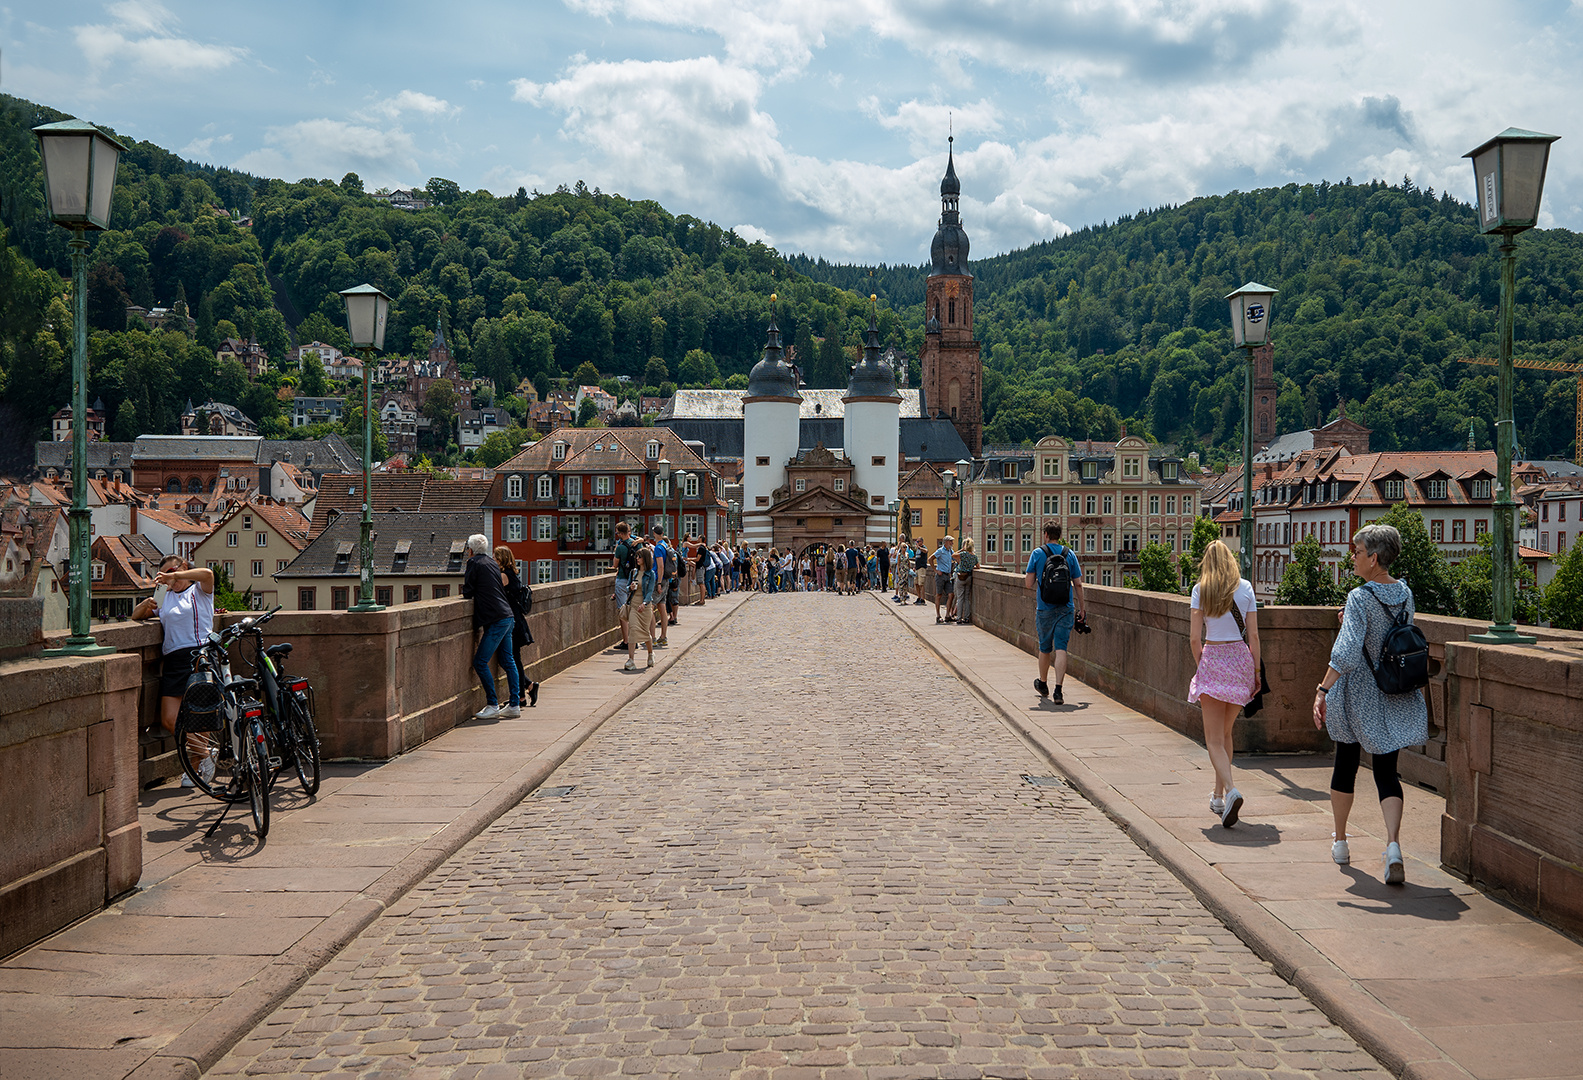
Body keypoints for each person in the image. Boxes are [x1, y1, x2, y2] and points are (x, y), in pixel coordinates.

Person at [1313, 524, 1429, 883]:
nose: (1353, 557)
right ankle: (1393, 846)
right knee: (1386, 772)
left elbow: (1347, 652)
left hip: (1359, 694)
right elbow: (1391, 633)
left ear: (1374, 558)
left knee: (1345, 763)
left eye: (1357, 552)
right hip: (1393, 691)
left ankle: (1341, 841)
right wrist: (1351, 621)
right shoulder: (1405, 593)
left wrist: (1322, 689)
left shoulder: (1359, 597)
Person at [1188, 540, 1259, 828]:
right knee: (1226, 734)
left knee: (1213, 739)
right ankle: (1218, 796)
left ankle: (1231, 790)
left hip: (1214, 658)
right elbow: (1254, 637)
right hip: (1240, 661)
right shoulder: (1246, 588)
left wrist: (1203, 665)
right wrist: (1256, 672)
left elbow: (1195, 638)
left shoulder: (1200, 590)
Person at [131, 555, 217, 788]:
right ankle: (207, 755)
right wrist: (145, 605)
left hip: (199, 655)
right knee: (170, 720)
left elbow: (208, 574)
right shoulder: (164, 596)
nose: (170, 578)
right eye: (164, 575)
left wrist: (176, 575)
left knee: (200, 716)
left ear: (184, 568)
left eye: (172, 572)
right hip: (173, 659)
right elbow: (137, 617)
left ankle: (196, 767)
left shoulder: (199, 590)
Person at [1025, 522, 1085, 705]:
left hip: (1045, 608)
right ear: (1059, 535)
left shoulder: (1038, 553)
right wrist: (1082, 608)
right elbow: (1078, 584)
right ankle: (1058, 691)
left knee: (1045, 648)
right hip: (1066, 607)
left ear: (1045, 534)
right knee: (1061, 648)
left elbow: (1028, 583)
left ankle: (1043, 684)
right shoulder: (1069, 554)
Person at [462, 534, 520, 719]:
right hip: (507, 616)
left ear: (471, 550)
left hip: (495, 619)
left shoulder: (473, 563)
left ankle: (493, 704)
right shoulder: (492, 563)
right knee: (508, 661)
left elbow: (468, 591)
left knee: (480, 662)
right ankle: (514, 704)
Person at [494, 547, 541, 707]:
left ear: (501, 559)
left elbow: (494, 593)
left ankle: (521, 696)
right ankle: (528, 686)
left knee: (511, 659)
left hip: (512, 621)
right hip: (517, 620)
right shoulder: (512, 574)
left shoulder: (504, 576)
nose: (493, 560)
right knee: (513, 659)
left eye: (495, 558)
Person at [623, 538, 657, 671]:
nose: (637, 559)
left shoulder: (651, 574)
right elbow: (627, 588)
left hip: (645, 607)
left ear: (645, 559)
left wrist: (644, 603)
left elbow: (650, 592)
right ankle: (631, 660)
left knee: (644, 632)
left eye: (640, 557)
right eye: (637, 556)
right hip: (634, 605)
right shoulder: (634, 572)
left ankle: (650, 654)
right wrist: (630, 587)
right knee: (632, 630)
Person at [611, 522, 637, 652]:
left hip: (622, 580)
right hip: (635, 580)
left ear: (621, 533)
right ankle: (634, 640)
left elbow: (615, 565)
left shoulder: (620, 547)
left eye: (617, 533)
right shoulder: (637, 544)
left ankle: (627, 641)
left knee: (623, 611)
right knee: (633, 611)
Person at [649, 527, 671, 647]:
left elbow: (660, 566)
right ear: (662, 533)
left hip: (659, 579)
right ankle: (663, 637)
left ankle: (652, 638)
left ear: (654, 533)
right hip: (666, 580)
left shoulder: (658, 547)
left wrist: (658, 583)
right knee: (662, 608)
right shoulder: (665, 545)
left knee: (649, 608)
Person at [955, 537, 979, 623]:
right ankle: (966, 617)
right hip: (968, 577)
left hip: (960, 577)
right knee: (966, 598)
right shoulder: (974, 556)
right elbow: (978, 567)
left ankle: (959, 617)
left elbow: (953, 555)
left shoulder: (963, 554)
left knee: (960, 598)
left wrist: (961, 550)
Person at [932, 535, 955, 622]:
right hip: (941, 576)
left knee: (951, 594)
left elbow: (955, 557)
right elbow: (930, 559)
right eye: (951, 541)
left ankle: (947, 615)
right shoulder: (940, 551)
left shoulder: (950, 551)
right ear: (946, 542)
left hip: (948, 575)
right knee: (939, 595)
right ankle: (938, 616)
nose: (952, 543)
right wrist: (935, 570)